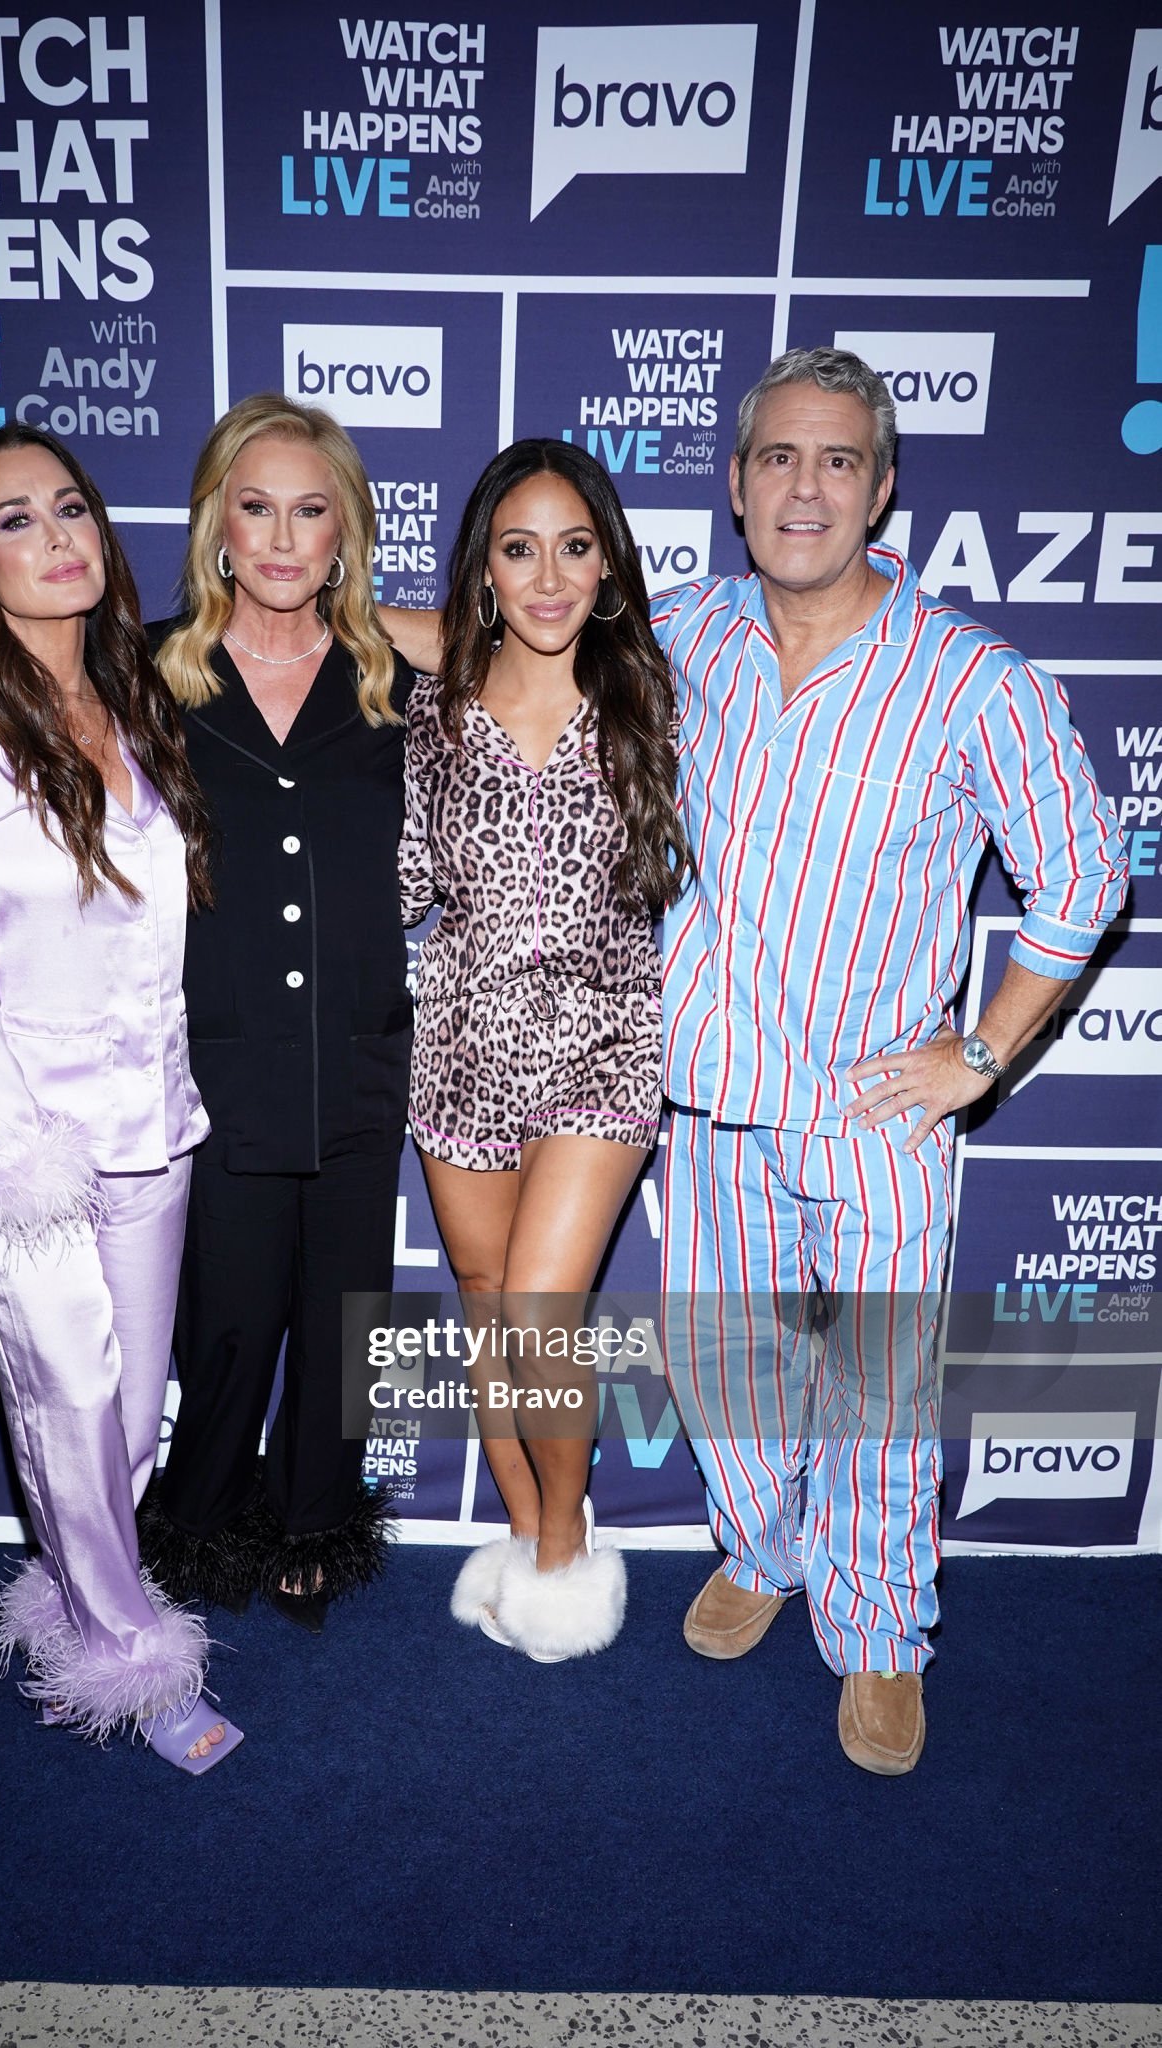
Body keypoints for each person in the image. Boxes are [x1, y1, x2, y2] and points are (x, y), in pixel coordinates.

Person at [650, 347, 1128, 1772]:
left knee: (877, 1389)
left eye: (838, 460)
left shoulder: (971, 677)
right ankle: (764, 1548)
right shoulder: (681, 632)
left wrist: (981, 1053)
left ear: (881, 488)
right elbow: (507, 641)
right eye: (779, 458)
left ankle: (877, 1630)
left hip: (878, 1112)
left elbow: (1084, 870)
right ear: (736, 485)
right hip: (714, 1092)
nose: (805, 487)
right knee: (720, 1361)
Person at [0, 424, 242, 1774]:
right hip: (15, 1128)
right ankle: (128, 1654)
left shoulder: (133, 696)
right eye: (15, 519)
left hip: (149, 1115)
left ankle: (81, 1586)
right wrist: (12, 1136)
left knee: (131, 1410)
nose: (56, 536)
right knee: (70, 1388)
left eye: (70, 506)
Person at [394, 439, 690, 1663]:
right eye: (520, 549)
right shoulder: (434, 710)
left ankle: (566, 1550)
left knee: (536, 1309)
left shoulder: (657, 695)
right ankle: (520, 1533)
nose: (551, 575)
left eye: (577, 546)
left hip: (603, 1040)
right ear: (485, 569)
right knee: (483, 1303)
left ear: (609, 563)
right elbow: (409, 880)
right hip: (461, 1039)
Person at [136, 394, 413, 1633]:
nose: (286, 537)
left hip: (357, 1053)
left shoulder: (397, 680)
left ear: (346, 530)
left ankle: (315, 1518)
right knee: (231, 1318)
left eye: (313, 510)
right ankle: (198, 1519)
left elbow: (532, 626)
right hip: (221, 1058)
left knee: (348, 1314)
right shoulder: (147, 674)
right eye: (258, 508)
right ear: (218, 525)